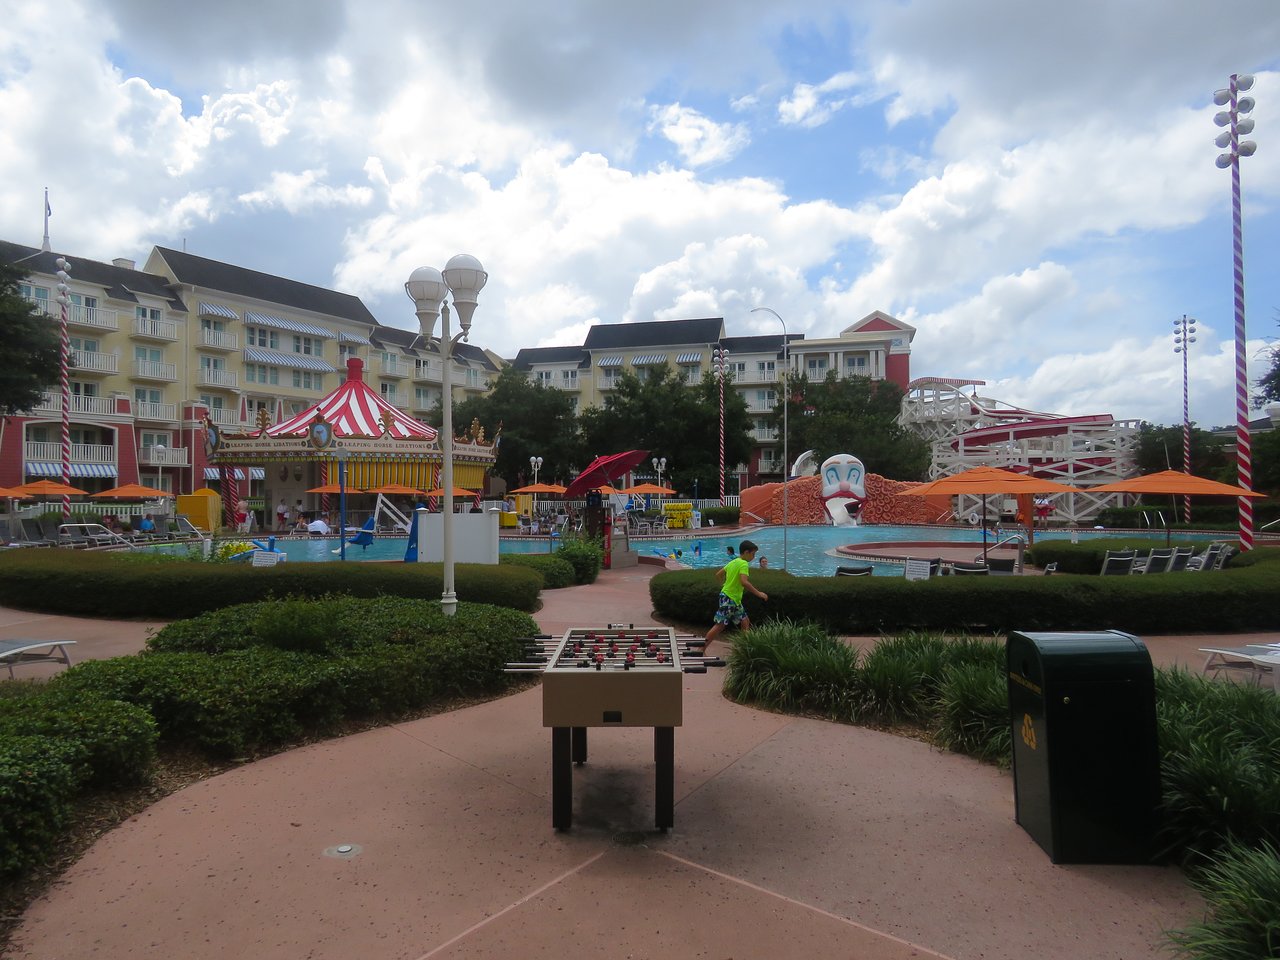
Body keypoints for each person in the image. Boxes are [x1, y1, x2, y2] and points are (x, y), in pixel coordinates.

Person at [704, 539, 767, 653]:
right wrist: (759, 593)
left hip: (733, 599)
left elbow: (718, 574)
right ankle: (701, 649)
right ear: (746, 552)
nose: (754, 557)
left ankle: (745, 649)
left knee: (745, 621)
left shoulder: (733, 562)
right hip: (729, 599)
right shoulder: (743, 564)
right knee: (720, 625)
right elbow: (744, 582)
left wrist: (724, 585)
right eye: (753, 554)